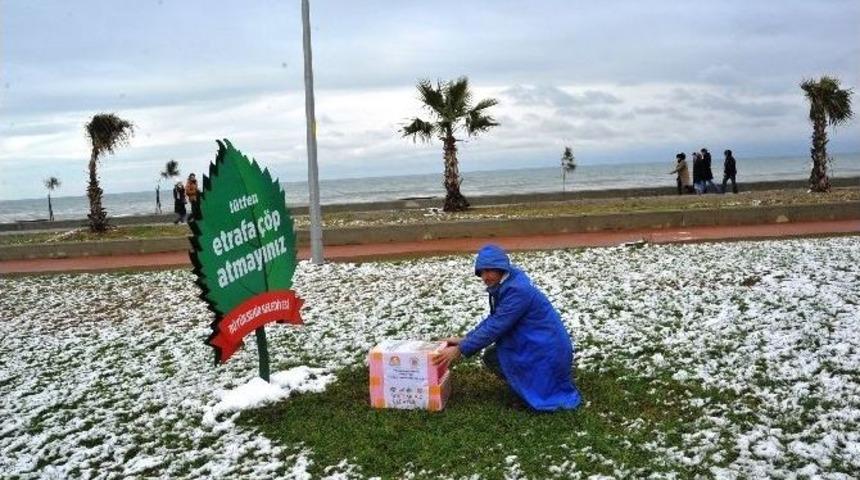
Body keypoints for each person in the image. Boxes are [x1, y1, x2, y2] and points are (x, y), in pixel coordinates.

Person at [433, 244, 583, 411]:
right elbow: (496, 319)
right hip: (537, 342)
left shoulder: (518, 291)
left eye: (489, 270)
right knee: (494, 356)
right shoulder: (509, 283)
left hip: (545, 348)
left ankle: (533, 393)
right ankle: (529, 387)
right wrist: (466, 339)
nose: (485, 276)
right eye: (481, 272)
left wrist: (460, 349)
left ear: (501, 268)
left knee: (496, 357)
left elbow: (496, 326)